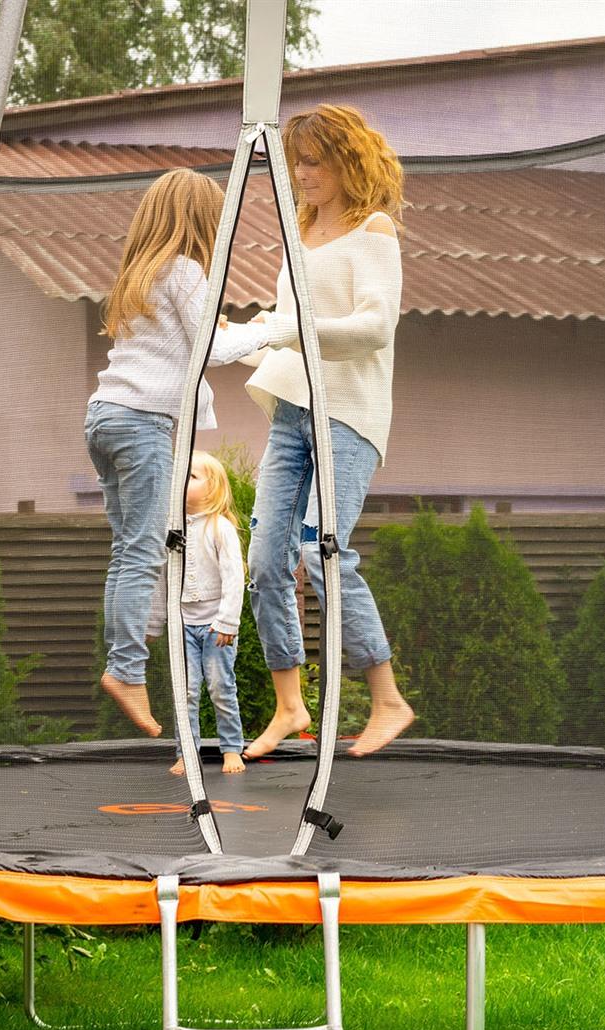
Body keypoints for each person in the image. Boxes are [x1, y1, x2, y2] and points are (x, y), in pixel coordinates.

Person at [238, 104, 415, 758]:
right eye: (297, 162)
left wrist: (290, 330)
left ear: (347, 159)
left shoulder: (374, 231)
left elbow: (373, 327)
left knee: (323, 548)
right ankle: (290, 705)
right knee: (264, 563)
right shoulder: (301, 231)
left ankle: (388, 698)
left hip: (347, 414)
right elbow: (286, 324)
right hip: (292, 408)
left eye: (313, 161)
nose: (302, 173)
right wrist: (250, 333)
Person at [87, 168, 283, 737]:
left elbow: (183, 339)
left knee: (131, 551)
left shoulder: (141, 273)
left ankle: (129, 658)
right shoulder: (188, 269)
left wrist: (231, 326)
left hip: (104, 417)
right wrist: (271, 331)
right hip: (142, 423)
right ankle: (125, 668)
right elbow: (213, 351)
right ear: (200, 221)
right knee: (143, 551)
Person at [159, 451, 247, 776]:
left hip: (215, 626)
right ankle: (187, 753)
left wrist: (228, 620)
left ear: (212, 489)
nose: (181, 481)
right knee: (187, 690)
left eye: (191, 477)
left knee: (221, 687)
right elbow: (161, 574)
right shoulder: (172, 528)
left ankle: (232, 749)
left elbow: (234, 576)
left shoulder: (219, 527)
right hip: (183, 624)